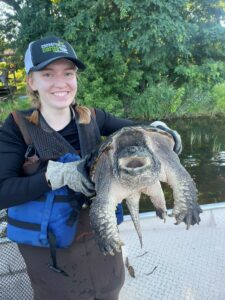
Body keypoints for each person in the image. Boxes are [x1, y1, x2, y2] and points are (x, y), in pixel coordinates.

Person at [0, 36, 182, 300]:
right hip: (49, 250)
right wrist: (54, 177)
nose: (60, 83)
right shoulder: (16, 128)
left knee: (109, 289)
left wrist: (166, 136)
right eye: (48, 74)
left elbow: (141, 132)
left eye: (68, 73)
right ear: (31, 81)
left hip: (100, 236)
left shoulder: (94, 118)